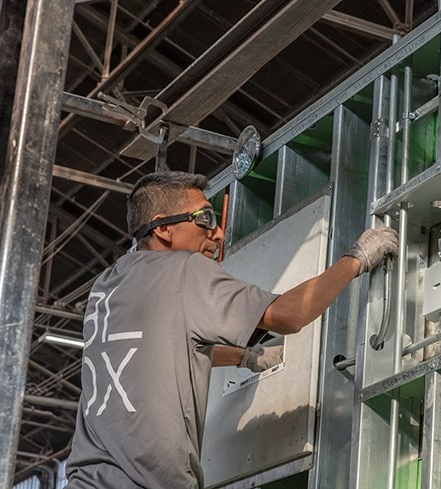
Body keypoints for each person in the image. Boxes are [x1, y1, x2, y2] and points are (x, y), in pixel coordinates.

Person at [65, 171, 398, 489]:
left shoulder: (108, 286)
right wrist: (357, 259)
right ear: (163, 229)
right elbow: (289, 315)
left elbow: (164, 350)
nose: (219, 233)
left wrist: (246, 357)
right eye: (205, 219)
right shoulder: (183, 268)